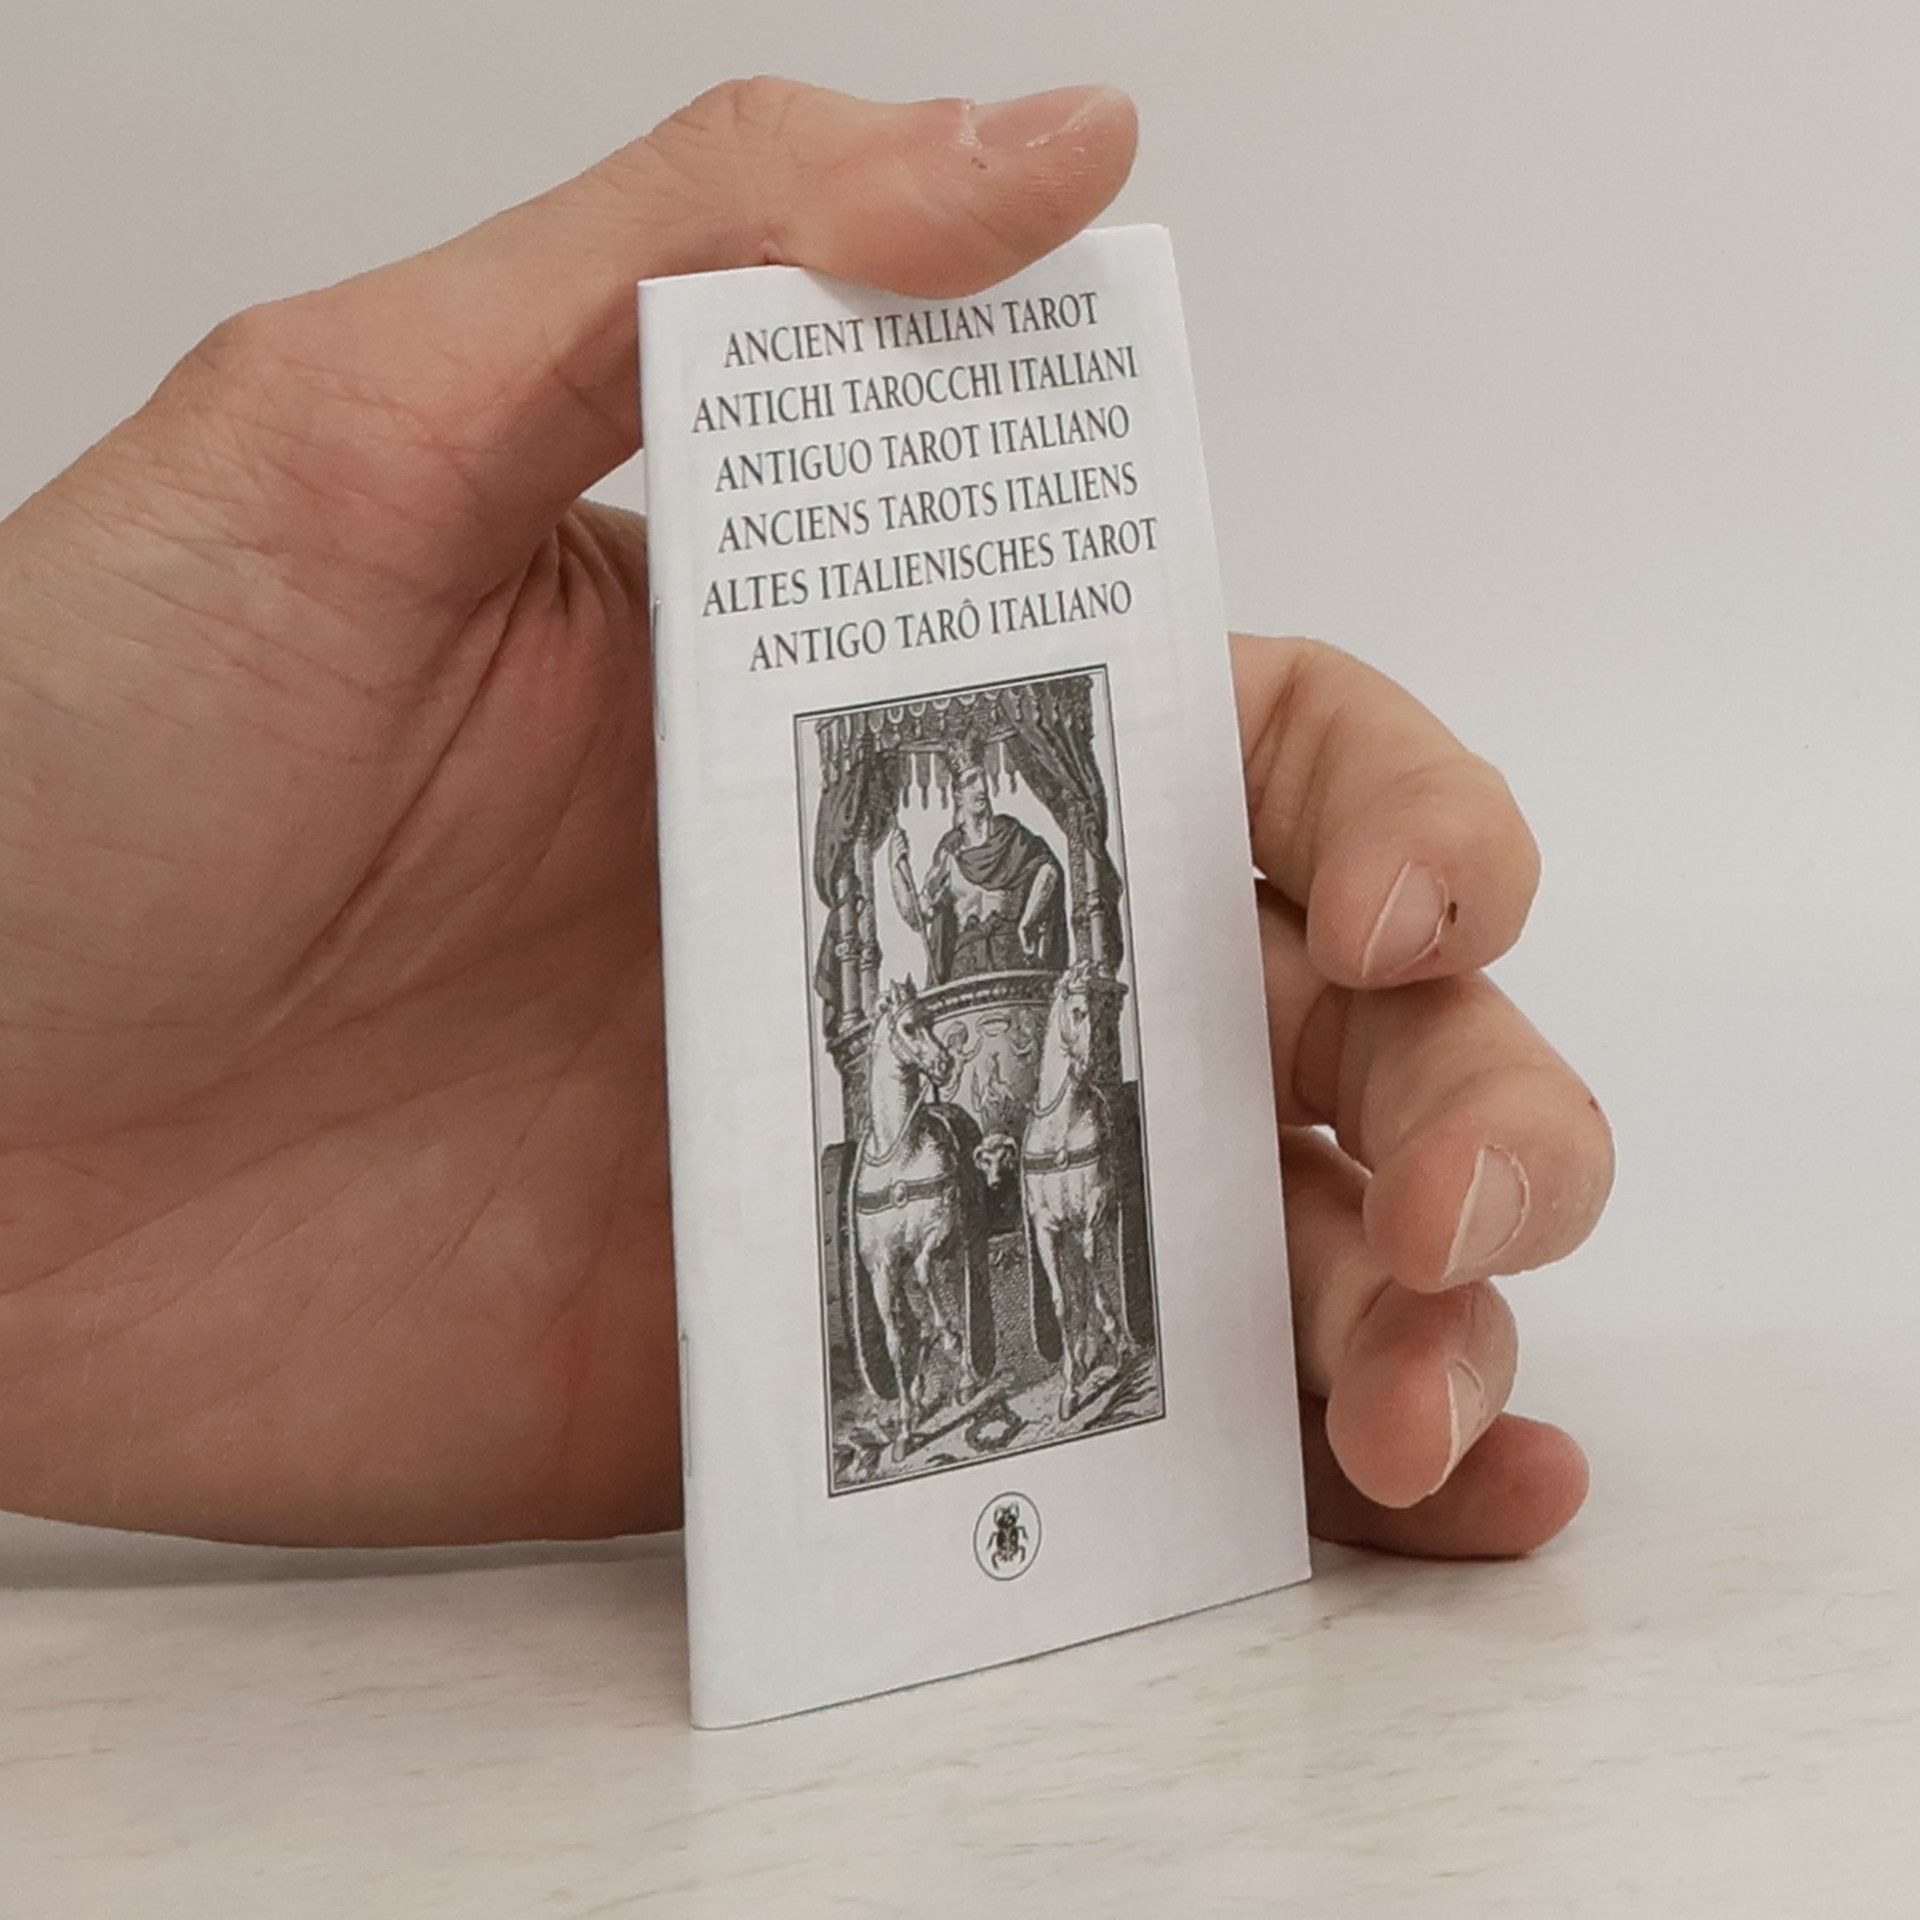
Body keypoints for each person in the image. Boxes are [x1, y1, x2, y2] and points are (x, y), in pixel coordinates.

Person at [0, 78, 1612, 1557]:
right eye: (959, 794)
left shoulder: (1018, 860)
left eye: (982, 793)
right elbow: (934, 929)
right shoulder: (930, 875)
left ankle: (1070, 1355)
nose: (970, 804)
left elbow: (1032, 915)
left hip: (999, 1013)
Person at [888, 764, 1068, 982]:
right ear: (958, 795)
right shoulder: (950, 853)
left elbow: (1049, 869)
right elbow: (917, 916)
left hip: (1012, 959)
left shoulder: (1010, 835)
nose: (981, 787)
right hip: (966, 968)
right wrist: (895, 867)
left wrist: (1027, 921)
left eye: (982, 779)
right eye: (971, 782)